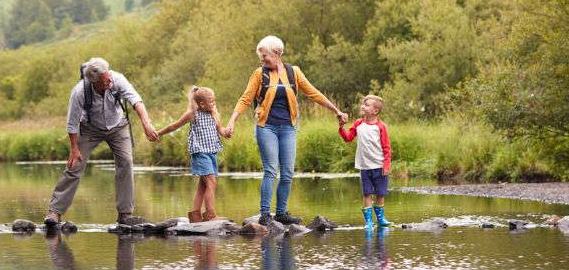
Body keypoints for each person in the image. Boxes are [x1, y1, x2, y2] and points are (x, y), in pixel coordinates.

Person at [225, 35, 349, 226]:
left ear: (278, 53)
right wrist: (232, 120)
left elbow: (313, 93)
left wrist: (336, 110)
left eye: (265, 55)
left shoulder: (294, 72)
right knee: (270, 170)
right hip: (266, 127)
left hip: (288, 128)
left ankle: (281, 213)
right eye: (261, 57)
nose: (262, 60)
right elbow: (246, 99)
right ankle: (265, 214)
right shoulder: (259, 74)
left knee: (288, 171)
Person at [45, 57, 159, 227]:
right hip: (90, 128)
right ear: (94, 82)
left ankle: (125, 214)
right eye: (105, 80)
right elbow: (72, 123)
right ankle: (55, 212)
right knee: (74, 166)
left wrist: (146, 123)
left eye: (108, 76)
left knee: (126, 163)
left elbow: (136, 100)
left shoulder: (116, 79)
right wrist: (74, 149)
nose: (109, 80)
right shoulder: (79, 92)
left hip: (118, 126)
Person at [156, 86, 228, 222]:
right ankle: (210, 215)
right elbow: (174, 125)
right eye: (211, 101)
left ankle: (195, 215)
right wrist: (158, 133)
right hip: (200, 152)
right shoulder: (193, 114)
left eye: (214, 101)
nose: (214, 104)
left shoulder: (214, 113)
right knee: (212, 183)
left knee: (203, 185)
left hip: (212, 152)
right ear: (201, 104)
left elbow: (220, 129)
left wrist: (226, 132)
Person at [338, 95, 393, 229]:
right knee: (367, 193)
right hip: (364, 167)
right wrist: (341, 128)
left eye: (367, 105)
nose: (363, 106)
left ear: (375, 111)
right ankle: (368, 222)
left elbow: (387, 148)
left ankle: (381, 219)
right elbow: (348, 138)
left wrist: (387, 164)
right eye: (363, 104)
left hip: (379, 166)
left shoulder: (381, 126)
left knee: (380, 194)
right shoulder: (358, 123)